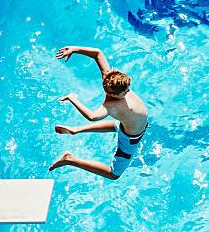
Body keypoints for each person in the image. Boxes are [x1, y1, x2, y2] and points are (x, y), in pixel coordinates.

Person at [49, 46, 149, 179]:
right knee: (114, 174)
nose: (128, 92)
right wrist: (72, 99)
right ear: (113, 93)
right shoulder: (111, 106)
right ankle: (70, 159)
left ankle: (75, 130)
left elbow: (98, 53)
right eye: (125, 92)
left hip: (128, 127)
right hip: (131, 139)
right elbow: (92, 116)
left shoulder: (109, 79)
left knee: (117, 125)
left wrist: (74, 49)